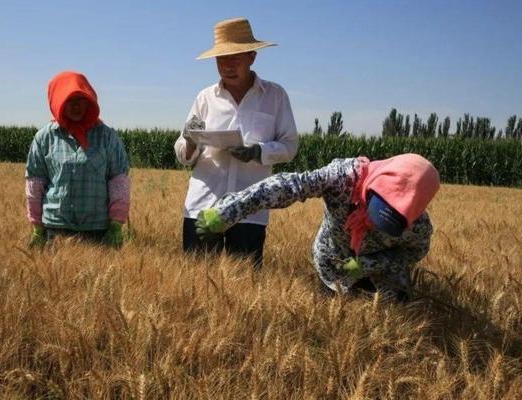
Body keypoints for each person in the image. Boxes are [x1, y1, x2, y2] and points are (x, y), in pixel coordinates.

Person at [195, 154, 441, 300]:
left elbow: (409, 256)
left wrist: (367, 264)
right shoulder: (343, 178)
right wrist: (228, 211)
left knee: (394, 328)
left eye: (393, 221)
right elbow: (287, 186)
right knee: (333, 315)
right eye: (379, 208)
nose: (378, 223)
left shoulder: (418, 227)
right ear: (373, 185)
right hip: (332, 262)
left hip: (384, 276)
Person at [174, 17, 299, 267]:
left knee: (244, 289)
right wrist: (189, 141)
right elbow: (183, 153)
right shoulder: (205, 98)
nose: (227, 66)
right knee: (194, 285)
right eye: (221, 59)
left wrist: (257, 151)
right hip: (202, 204)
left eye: (234, 58)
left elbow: (289, 146)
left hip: (249, 210)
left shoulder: (275, 96)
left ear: (252, 56)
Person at [25, 71, 130, 248]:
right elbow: (35, 182)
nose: (76, 107)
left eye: (81, 100)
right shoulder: (45, 138)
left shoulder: (107, 137)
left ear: (90, 101)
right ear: (58, 102)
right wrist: (37, 225)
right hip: (55, 229)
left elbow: (119, 180)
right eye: (69, 101)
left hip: (97, 231)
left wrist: (116, 224)